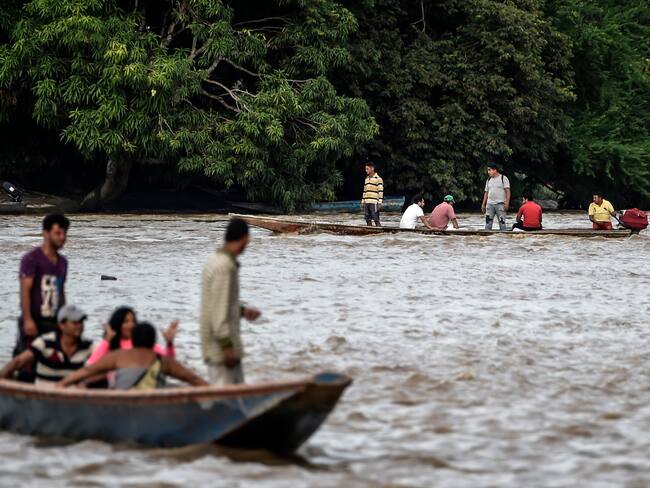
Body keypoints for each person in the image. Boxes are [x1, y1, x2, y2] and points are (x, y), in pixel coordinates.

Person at [200, 218, 261, 385]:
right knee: (226, 402)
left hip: (216, 346)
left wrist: (242, 310)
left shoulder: (215, 259)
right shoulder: (224, 267)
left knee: (232, 400)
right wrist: (227, 348)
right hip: (221, 350)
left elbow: (220, 302)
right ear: (245, 238)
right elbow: (218, 312)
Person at [57, 323, 208, 389]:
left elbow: (86, 371)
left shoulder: (118, 356)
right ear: (153, 341)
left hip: (122, 403)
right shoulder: (162, 360)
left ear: (133, 341)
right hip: (153, 402)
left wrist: (60, 385)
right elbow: (193, 378)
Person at [14, 214, 71, 380]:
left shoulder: (63, 262)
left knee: (53, 366)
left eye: (64, 234)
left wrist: (64, 321)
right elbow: (25, 290)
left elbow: (61, 291)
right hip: (34, 321)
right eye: (58, 233)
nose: (62, 238)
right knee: (26, 368)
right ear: (45, 234)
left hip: (54, 322)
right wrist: (28, 320)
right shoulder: (31, 259)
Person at [0, 305, 93, 384]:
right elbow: (18, 362)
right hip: (42, 398)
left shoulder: (87, 346)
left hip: (71, 399)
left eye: (81, 322)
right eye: (75, 323)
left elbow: (102, 365)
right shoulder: (45, 343)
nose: (80, 326)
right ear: (62, 325)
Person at [86, 306, 178, 365]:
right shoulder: (109, 346)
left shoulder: (143, 344)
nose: (131, 325)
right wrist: (107, 340)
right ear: (117, 324)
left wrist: (169, 343)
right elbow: (90, 365)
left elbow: (169, 363)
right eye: (126, 322)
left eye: (133, 321)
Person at [481, 163, 511, 230]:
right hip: (489, 204)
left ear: (495, 170)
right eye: (488, 170)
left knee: (502, 224)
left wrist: (507, 203)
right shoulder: (488, 180)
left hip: (500, 204)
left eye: (489, 170)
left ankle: (503, 239)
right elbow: (486, 193)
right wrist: (483, 204)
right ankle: (487, 240)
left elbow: (508, 192)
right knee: (488, 224)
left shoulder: (503, 178)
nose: (488, 172)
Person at [360, 161, 383, 226]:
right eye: (365, 169)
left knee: (376, 219)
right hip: (366, 202)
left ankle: (380, 232)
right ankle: (370, 233)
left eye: (367, 169)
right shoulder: (366, 179)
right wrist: (362, 201)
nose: (366, 170)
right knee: (367, 219)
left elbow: (380, 191)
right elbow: (365, 191)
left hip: (374, 202)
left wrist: (379, 202)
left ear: (372, 168)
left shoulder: (378, 179)